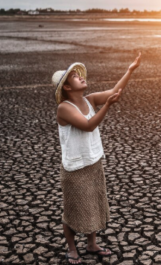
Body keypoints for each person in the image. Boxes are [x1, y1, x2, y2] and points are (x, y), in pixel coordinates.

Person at [52, 52, 141, 264]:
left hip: (93, 162)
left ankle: (91, 245)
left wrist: (130, 70)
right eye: (75, 77)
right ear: (67, 87)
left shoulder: (89, 99)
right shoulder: (64, 108)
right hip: (75, 168)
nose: (81, 77)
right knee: (73, 211)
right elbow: (88, 125)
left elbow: (114, 91)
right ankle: (72, 249)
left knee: (94, 205)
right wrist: (108, 106)